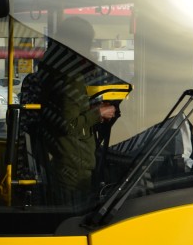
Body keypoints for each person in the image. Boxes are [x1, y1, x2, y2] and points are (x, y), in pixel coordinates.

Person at [20, 17, 119, 206]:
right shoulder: (69, 78)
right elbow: (69, 124)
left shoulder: (53, 72)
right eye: (88, 43)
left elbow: (63, 114)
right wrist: (99, 114)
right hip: (73, 165)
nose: (90, 50)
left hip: (63, 160)